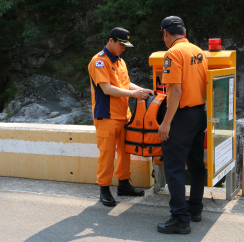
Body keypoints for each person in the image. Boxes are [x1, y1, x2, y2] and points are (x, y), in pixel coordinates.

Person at [88, 27, 154, 207]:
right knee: (107, 155)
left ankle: (124, 184)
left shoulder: (120, 62)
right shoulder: (99, 62)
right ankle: (104, 189)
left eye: (125, 45)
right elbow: (107, 89)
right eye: (121, 44)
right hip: (106, 116)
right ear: (111, 41)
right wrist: (134, 95)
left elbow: (124, 83)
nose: (123, 48)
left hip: (124, 115)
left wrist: (140, 89)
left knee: (124, 153)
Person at [156, 16, 208, 234]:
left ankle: (179, 219)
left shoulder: (173, 53)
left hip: (181, 117)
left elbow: (175, 91)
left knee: (174, 167)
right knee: (196, 164)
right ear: (184, 32)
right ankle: (194, 208)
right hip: (199, 114)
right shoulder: (198, 51)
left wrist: (166, 123)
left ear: (165, 33)